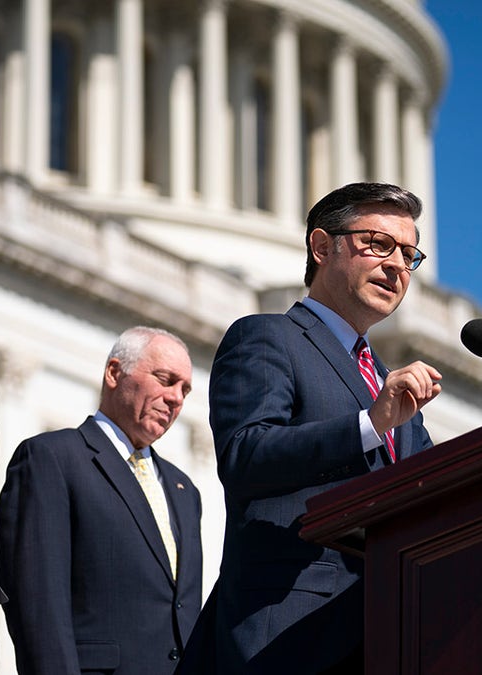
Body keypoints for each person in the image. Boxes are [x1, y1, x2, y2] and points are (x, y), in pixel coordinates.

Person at [177, 182, 444, 673]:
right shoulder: (267, 338)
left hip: (387, 636)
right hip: (287, 634)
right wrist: (369, 424)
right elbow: (246, 455)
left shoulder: (392, 388)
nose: (397, 267)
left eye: (409, 255)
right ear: (322, 247)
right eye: (378, 244)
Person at [0, 326, 203, 675]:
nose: (176, 398)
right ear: (114, 373)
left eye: (184, 389)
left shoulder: (185, 491)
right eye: (165, 379)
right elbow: (38, 605)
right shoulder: (52, 459)